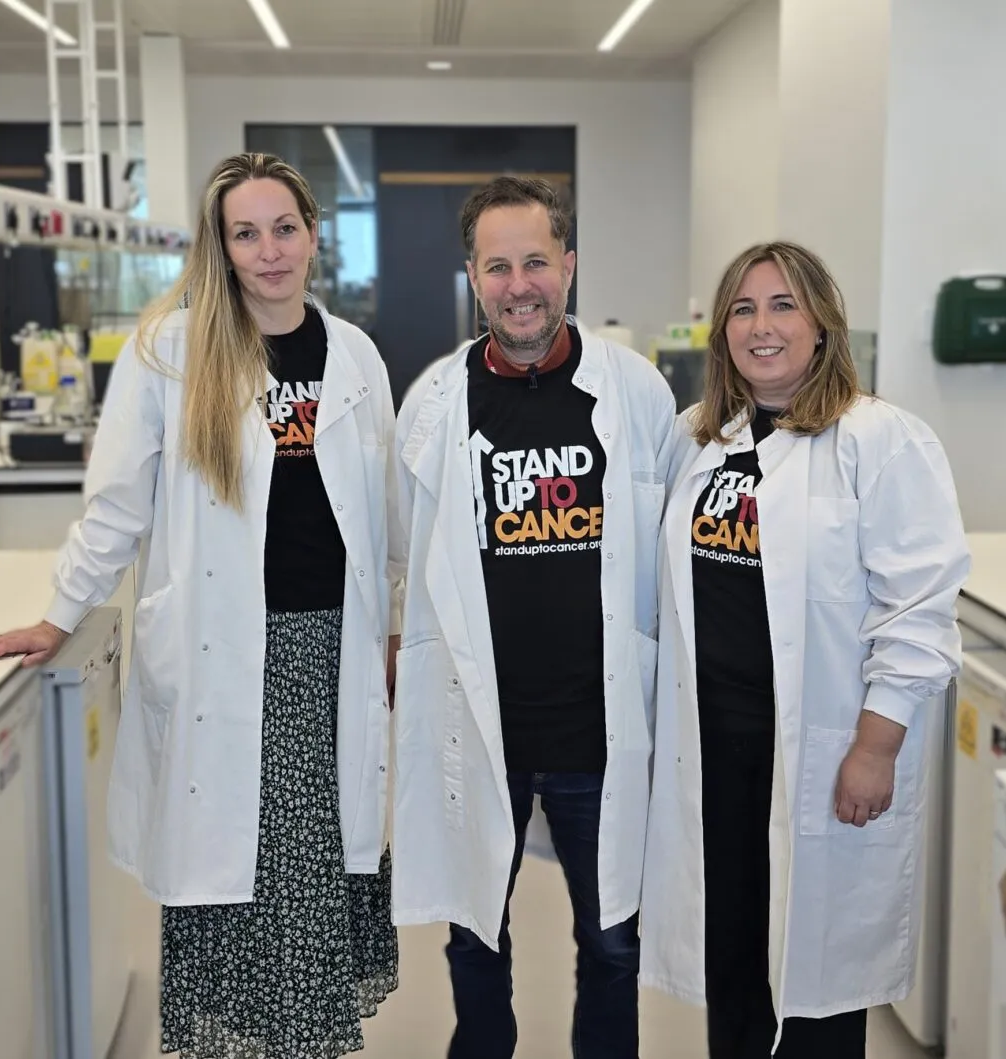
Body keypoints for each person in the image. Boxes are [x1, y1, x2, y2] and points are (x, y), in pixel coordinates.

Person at [0, 152, 400, 1059]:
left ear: (314, 234)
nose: (269, 250)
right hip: (224, 654)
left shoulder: (354, 355)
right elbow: (118, 503)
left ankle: (298, 1044)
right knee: (251, 876)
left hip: (331, 651)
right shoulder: (172, 349)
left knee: (309, 873)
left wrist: (395, 628)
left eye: (285, 228)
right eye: (246, 232)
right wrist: (58, 613)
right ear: (222, 244)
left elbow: (386, 511)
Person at [638, 241, 970, 1059]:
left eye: (783, 305)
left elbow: (920, 608)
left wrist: (875, 743)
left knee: (814, 977)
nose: (762, 326)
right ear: (722, 333)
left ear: (822, 321)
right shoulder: (702, 437)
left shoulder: (879, 438)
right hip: (715, 751)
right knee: (737, 956)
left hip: (819, 750)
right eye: (743, 309)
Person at [387, 175, 675, 1059]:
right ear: (474, 278)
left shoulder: (638, 392)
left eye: (538, 262)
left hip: (598, 723)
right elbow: (405, 553)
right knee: (476, 931)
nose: (521, 284)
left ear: (570, 266)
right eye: (499, 265)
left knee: (613, 938)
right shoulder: (435, 402)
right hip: (481, 726)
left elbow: (666, 553)